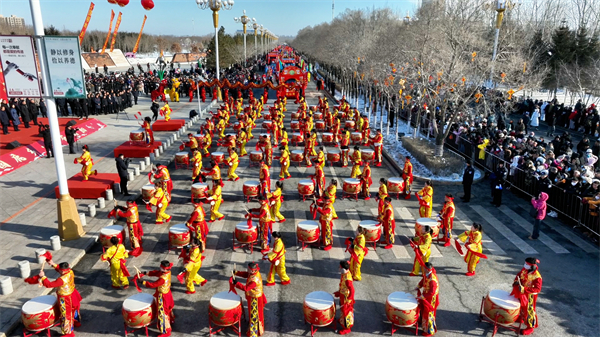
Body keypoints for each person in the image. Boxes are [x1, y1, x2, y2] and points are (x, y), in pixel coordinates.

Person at [39, 260, 82, 336]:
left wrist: (43, 277)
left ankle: (68, 333)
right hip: (72, 293)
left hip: (65, 298)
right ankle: (76, 322)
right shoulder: (70, 271)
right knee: (74, 309)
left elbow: (49, 285)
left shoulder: (61, 280)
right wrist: (53, 264)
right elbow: (60, 269)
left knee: (65, 314)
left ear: (62, 271)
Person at [139, 261, 175, 337]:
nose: (160, 268)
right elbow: (156, 273)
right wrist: (145, 273)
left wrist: (143, 282)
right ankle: (171, 320)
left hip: (163, 296)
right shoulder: (167, 272)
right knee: (168, 309)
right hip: (168, 293)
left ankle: (166, 331)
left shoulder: (162, 278)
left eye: (161, 267)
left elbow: (153, 285)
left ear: (165, 269)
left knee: (162, 313)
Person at [232, 262, 267, 337]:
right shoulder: (253, 273)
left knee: (254, 314)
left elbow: (246, 288)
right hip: (253, 296)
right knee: (253, 314)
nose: (247, 270)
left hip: (255, 299)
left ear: (253, 270)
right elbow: (246, 274)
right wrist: (237, 273)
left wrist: (236, 283)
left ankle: (254, 332)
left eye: (248, 269)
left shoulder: (254, 280)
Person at [510, 257, 543, 336]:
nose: (525, 265)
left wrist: (524, 289)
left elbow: (537, 289)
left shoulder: (537, 277)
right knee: (520, 305)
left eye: (527, 264)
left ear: (532, 266)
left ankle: (530, 327)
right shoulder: (525, 269)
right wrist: (516, 281)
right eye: (525, 263)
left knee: (529, 311)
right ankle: (521, 318)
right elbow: (519, 275)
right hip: (522, 292)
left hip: (530, 296)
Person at [415, 262, 439, 336]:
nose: (423, 269)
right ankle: (422, 321)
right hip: (426, 295)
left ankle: (429, 331)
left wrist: (423, 296)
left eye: (424, 268)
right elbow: (423, 280)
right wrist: (419, 286)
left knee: (428, 313)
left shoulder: (433, 280)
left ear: (427, 269)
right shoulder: (427, 274)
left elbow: (432, 292)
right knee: (422, 308)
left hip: (430, 299)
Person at [334, 261, 355, 335]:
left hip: (346, 297)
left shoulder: (347, 280)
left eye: (340, 267)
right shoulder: (345, 274)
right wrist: (339, 292)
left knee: (346, 311)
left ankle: (347, 328)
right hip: (343, 294)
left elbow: (352, 290)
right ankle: (342, 320)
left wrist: (349, 299)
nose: (339, 269)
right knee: (342, 309)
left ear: (343, 269)